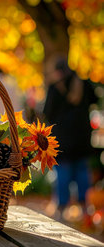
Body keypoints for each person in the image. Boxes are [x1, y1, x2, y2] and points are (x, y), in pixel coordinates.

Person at [43, 56, 98, 217]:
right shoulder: (84, 84)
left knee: (63, 172)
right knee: (82, 170)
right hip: (82, 136)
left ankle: (61, 206)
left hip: (62, 138)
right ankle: (84, 205)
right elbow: (95, 99)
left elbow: (47, 113)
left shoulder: (54, 88)